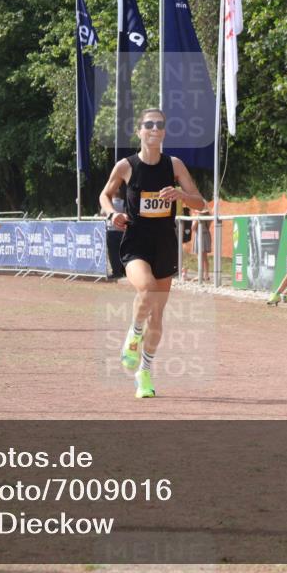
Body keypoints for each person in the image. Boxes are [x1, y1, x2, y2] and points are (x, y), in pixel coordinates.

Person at [99, 108, 207, 399]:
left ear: (164, 132)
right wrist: (112, 215)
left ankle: (144, 372)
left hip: (164, 244)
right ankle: (133, 336)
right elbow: (105, 195)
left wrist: (180, 195)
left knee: (157, 318)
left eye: (160, 125)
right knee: (146, 289)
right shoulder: (126, 165)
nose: (155, 129)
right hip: (135, 241)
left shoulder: (174, 165)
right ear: (139, 131)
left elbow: (202, 204)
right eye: (149, 124)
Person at [191, 207, 212, 280]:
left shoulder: (198, 217)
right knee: (205, 256)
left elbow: (193, 228)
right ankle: (206, 275)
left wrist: (194, 218)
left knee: (200, 256)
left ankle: (200, 275)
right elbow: (208, 226)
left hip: (200, 236)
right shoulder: (208, 216)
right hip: (206, 235)